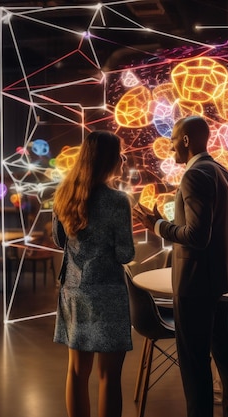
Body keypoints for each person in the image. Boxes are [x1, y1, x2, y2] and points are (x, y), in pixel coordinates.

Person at [133, 116, 228, 417]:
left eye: (173, 143)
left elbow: (197, 236)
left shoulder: (194, 176)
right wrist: (169, 224)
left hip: (194, 283)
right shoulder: (223, 172)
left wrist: (158, 226)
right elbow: (218, 231)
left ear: (185, 140)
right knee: (223, 351)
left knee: (194, 361)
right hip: (218, 279)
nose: (171, 151)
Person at [52, 130, 135, 417]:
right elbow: (126, 254)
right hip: (108, 294)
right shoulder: (117, 201)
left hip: (73, 291)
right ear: (109, 159)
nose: (124, 159)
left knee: (76, 372)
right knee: (109, 376)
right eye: (120, 154)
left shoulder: (64, 194)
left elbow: (59, 240)